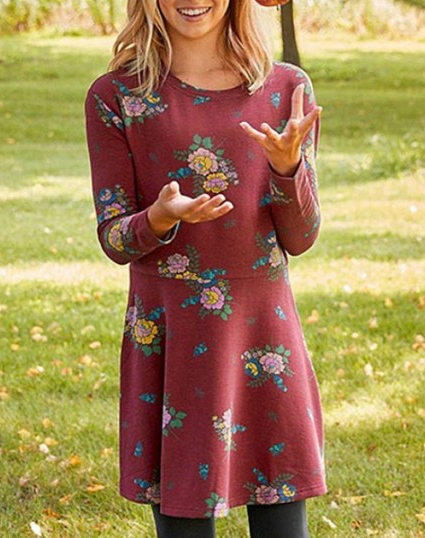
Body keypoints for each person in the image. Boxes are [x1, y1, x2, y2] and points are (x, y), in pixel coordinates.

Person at [85, 1, 324, 537]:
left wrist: (289, 170)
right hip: (171, 340)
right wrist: (159, 218)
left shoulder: (287, 87)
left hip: (264, 335)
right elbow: (114, 237)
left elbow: (301, 238)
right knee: (183, 525)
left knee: (284, 527)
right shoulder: (117, 96)